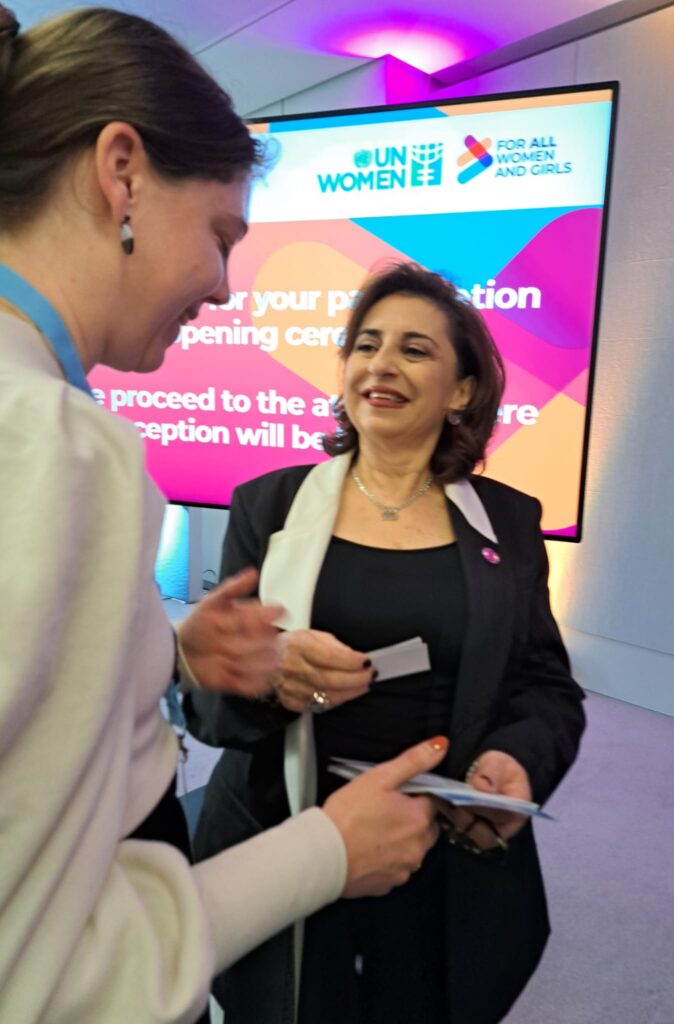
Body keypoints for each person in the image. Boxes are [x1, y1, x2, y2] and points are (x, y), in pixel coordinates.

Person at [0, 10, 449, 1024]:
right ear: (121, 171)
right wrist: (325, 851)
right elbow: (41, 979)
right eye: (221, 236)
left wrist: (154, 650)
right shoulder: (58, 446)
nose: (222, 286)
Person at [186, 262, 587, 1024]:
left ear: (462, 391)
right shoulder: (268, 506)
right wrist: (269, 679)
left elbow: (546, 685)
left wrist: (519, 761)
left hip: (442, 846)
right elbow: (206, 705)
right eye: (366, 344)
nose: (381, 364)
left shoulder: (509, 522)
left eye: (414, 349)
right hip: (285, 841)